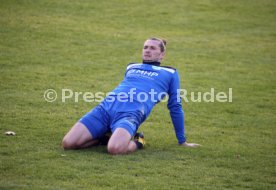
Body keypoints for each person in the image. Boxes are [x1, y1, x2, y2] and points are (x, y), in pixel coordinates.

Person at [62, 37, 201, 154]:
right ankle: (103, 137)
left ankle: (138, 140)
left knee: (114, 149)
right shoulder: (131, 67)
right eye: (145, 47)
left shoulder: (170, 73)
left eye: (152, 48)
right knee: (68, 143)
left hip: (130, 114)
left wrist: (182, 141)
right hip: (105, 108)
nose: (147, 50)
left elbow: (175, 106)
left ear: (162, 55)